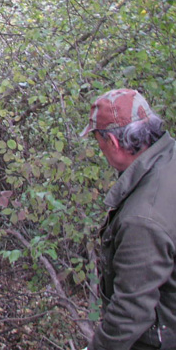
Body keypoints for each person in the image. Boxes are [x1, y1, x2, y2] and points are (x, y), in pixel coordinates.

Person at [80, 88, 176, 350]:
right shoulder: (169, 159)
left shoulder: (142, 219)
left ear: (113, 142)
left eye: (99, 143)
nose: (101, 150)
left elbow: (131, 312)